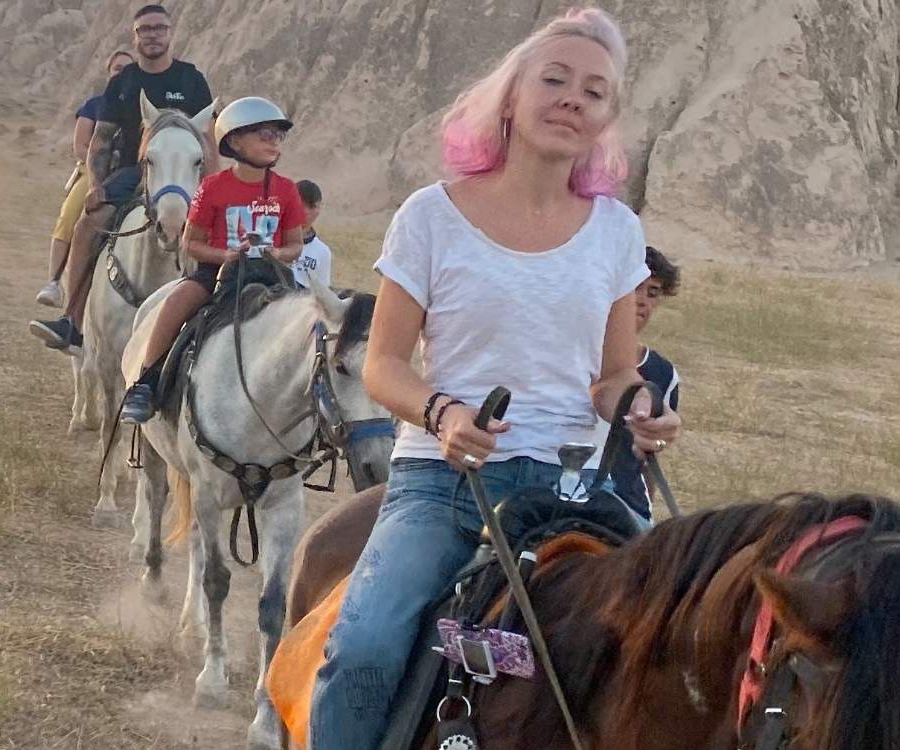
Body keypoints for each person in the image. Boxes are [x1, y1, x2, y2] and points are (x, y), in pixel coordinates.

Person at [310, 9, 681, 748]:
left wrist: (642, 407)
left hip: (579, 490)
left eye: (595, 91)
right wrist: (443, 412)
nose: (574, 97)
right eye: (555, 79)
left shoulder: (617, 231)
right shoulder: (431, 218)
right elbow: (382, 366)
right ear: (508, 98)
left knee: (682, 646)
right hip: (445, 487)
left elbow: (612, 378)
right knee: (366, 646)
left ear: (607, 119)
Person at [28, 3, 215, 352]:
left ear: (170, 33)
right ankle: (73, 319)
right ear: (135, 36)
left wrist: (213, 186)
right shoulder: (122, 83)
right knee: (88, 223)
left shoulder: (192, 79)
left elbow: (207, 140)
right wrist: (97, 185)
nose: (153, 35)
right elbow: (100, 140)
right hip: (133, 172)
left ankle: (211, 321)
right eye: (145, 29)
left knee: (214, 237)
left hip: (181, 175)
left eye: (159, 28)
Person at [118, 96, 305, 424]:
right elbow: (191, 243)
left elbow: (295, 246)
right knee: (176, 303)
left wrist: (276, 253)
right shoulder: (212, 187)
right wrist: (225, 256)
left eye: (279, 135)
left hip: (271, 276)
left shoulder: (287, 190)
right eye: (264, 134)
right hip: (217, 275)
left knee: (315, 318)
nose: (274, 142)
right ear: (234, 140)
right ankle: (145, 382)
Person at [42, 50, 138, 308]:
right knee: (73, 213)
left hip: (128, 171)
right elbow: (81, 146)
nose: (121, 73)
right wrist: (101, 167)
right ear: (109, 72)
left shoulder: (141, 104)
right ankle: (53, 282)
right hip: (94, 171)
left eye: (127, 68)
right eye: (117, 68)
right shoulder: (95, 104)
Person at [592, 246, 682, 514]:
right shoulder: (578, 357)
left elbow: (648, 458)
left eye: (652, 292)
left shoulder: (663, 373)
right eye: (634, 288)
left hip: (627, 504)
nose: (641, 300)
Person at [290, 179, 334, 291]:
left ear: (319, 209)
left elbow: (323, 293)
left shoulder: (323, 252)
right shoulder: (271, 238)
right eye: (300, 204)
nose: (305, 211)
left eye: (311, 206)